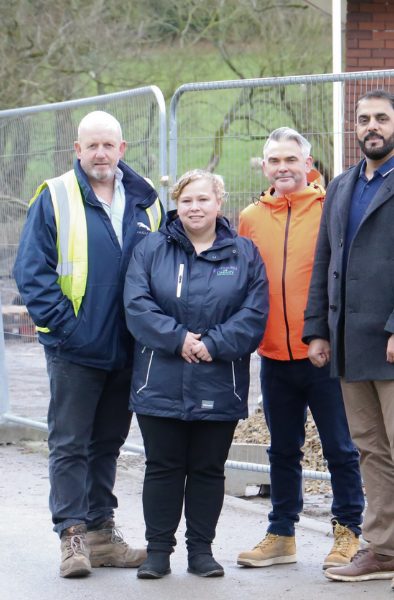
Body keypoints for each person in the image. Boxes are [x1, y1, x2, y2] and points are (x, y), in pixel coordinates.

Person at [304, 89, 394, 591]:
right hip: (348, 343)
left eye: (382, 118)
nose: (372, 126)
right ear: (356, 126)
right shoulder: (342, 186)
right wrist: (317, 330)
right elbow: (325, 263)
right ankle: (382, 549)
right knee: (369, 449)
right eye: (364, 119)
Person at [14, 110, 160, 578]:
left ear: (122, 149)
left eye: (108, 145)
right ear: (77, 150)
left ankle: (101, 532)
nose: (100, 153)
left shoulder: (146, 203)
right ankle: (72, 536)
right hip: (74, 349)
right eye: (91, 145)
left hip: (127, 347)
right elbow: (31, 273)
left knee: (107, 444)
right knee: (70, 443)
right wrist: (66, 330)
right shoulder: (55, 196)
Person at [123, 169, 269, 579]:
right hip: (160, 378)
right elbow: (137, 305)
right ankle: (157, 552)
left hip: (219, 379)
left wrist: (214, 344)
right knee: (163, 466)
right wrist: (178, 339)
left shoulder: (245, 253)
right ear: (177, 204)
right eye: (186, 200)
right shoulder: (150, 249)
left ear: (219, 203)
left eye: (203, 199)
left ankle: (201, 551)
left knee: (207, 469)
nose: (194, 207)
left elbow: (254, 313)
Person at [236, 128, 364, 570]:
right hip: (273, 355)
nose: (283, 167)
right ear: (265, 167)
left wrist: (330, 334)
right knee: (282, 450)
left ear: (309, 166)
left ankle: (349, 532)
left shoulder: (332, 209)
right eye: (274, 160)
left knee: (341, 449)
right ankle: (281, 533)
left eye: (291, 159)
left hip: (323, 354)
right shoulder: (250, 216)